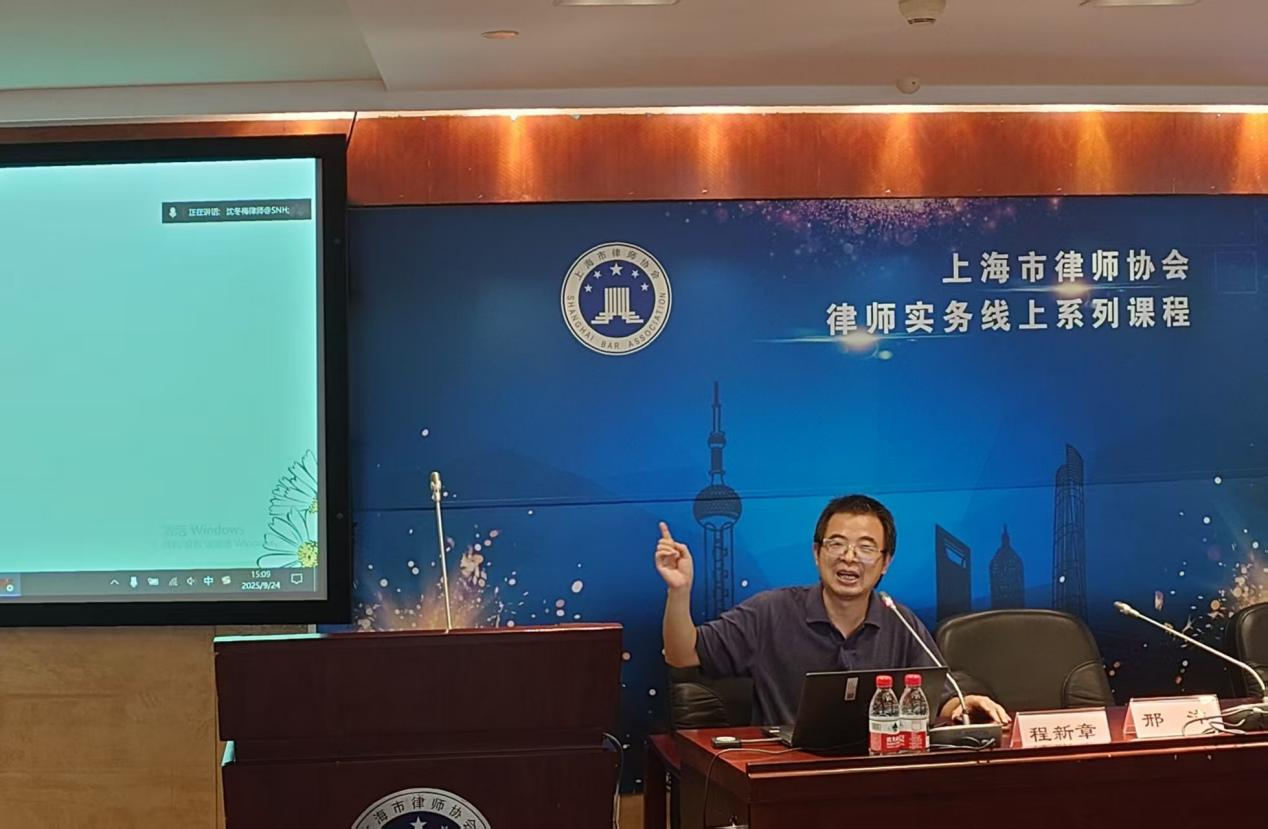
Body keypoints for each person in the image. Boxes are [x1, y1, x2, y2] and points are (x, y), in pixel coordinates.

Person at [656, 493, 1009, 727]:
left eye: (866, 548)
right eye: (837, 544)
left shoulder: (900, 621)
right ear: (817, 553)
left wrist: (963, 706)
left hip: (875, 776)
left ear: (886, 562)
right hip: (785, 779)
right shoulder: (770, 612)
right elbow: (681, 654)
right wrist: (679, 591)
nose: (849, 558)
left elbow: (939, 697)